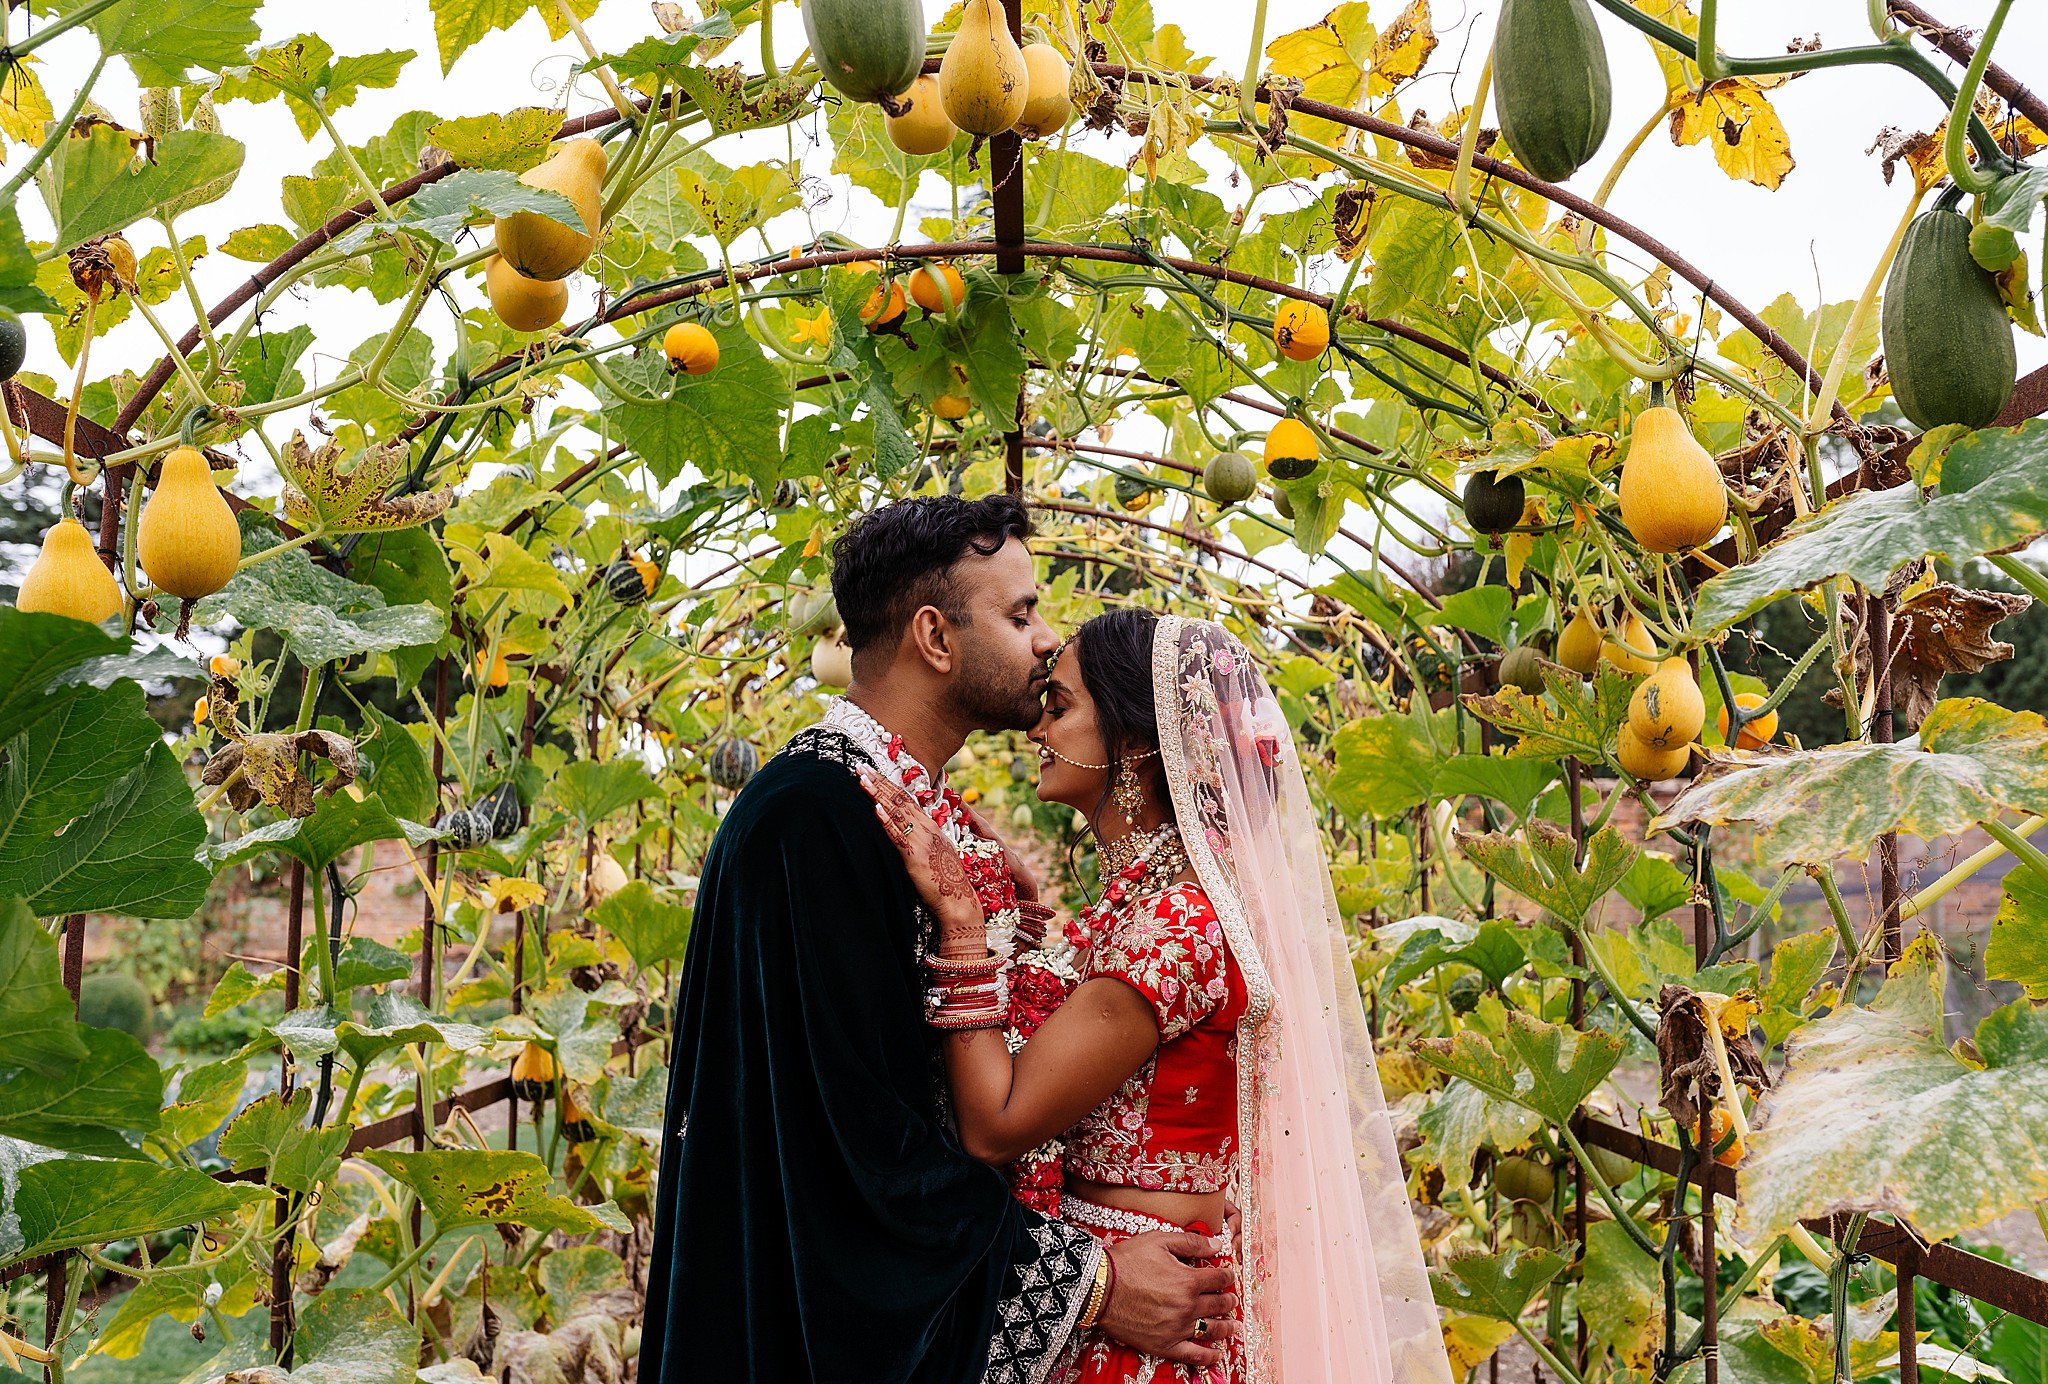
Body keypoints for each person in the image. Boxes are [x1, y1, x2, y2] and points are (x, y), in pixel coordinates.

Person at [639, 496, 1236, 1384]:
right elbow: (847, 1146)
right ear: (935, 636)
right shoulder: (812, 818)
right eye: (1020, 612)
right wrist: (1091, 1282)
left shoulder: (901, 807)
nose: (1045, 641)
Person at [862, 610, 1456, 1384]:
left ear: (1137, 745)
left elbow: (996, 1124)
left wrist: (965, 928)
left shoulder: (1173, 928)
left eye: (1062, 705)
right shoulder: (1161, 905)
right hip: (1126, 1304)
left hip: (1138, 1338)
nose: (1037, 728)